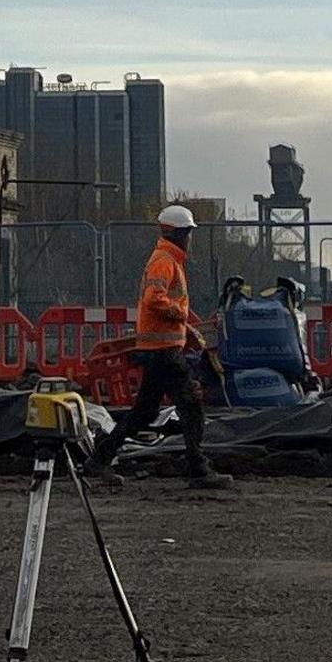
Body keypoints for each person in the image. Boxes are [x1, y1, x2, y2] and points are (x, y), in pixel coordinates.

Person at [95, 204, 232, 489]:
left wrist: (187, 328)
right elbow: (154, 299)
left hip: (159, 350)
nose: (190, 239)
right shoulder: (165, 261)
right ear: (179, 234)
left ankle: (99, 460)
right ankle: (198, 468)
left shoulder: (168, 259)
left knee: (144, 412)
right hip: (164, 352)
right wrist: (181, 315)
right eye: (189, 233)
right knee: (191, 406)